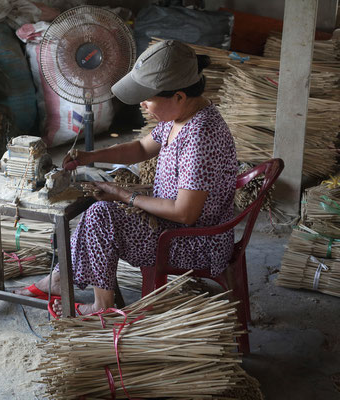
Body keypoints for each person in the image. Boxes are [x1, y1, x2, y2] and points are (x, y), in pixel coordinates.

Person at [16, 40, 237, 316]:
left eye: (148, 98)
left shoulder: (201, 136)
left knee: (101, 216)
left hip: (193, 241)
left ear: (179, 96)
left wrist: (124, 195)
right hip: (170, 225)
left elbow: (185, 213)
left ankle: (102, 306)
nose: (143, 104)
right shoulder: (180, 117)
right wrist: (88, 156)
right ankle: (60, 279)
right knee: (94, 212)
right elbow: (142, 148)